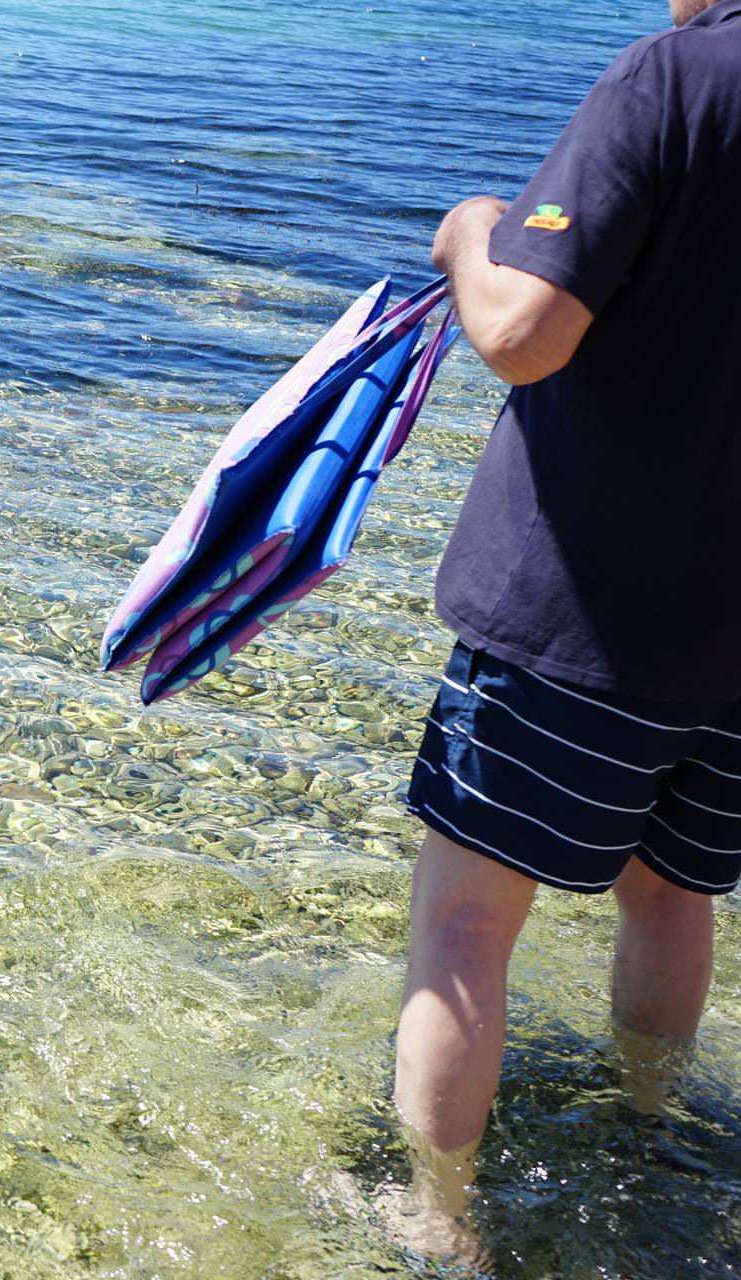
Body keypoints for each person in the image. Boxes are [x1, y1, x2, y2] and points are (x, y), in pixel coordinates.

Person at [394, 0, 741, 1246]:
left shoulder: (678, 76)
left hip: (582, 610)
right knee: (672, 895)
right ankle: (648, 1131)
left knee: (466, 925)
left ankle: (435, 1223)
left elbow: (521, 333)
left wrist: (471, 233)